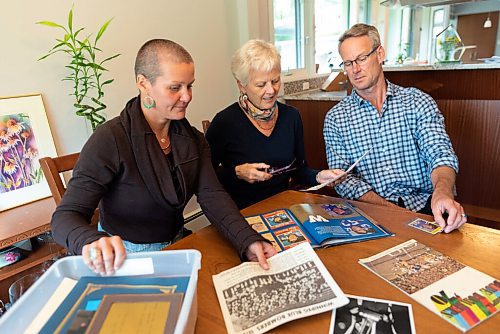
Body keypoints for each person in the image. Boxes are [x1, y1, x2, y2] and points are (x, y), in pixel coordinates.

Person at [51, 39, 277, 276]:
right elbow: (66, 216)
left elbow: (213, 196)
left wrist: (248, 240)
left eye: (190, 86)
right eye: (175, 87)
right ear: (143, 83)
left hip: (179, 248)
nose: (187, 96)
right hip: (124, 262)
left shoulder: (194, 140)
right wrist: (91, 241)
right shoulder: (110, 140)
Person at [323, 24, 466, 233]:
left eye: (361, 59)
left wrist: (443, 192)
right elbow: (343, 181)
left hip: (427, 208)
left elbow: (440, 154)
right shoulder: (336, 119)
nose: (355, 69)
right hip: (372, 213)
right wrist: (393, 212)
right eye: (348, 63)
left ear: (380, 54)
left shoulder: (417, 102)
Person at [206, 39, 345, 209]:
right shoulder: (224, 123)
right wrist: (237, 173)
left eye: (275, 81)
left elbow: (299, 170)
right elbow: (205, 179)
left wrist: (319, 176)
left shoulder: (291, 116)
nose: (271, 90)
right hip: (240, 212)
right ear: (241, 86)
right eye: (261, 84)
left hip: (283, 208)